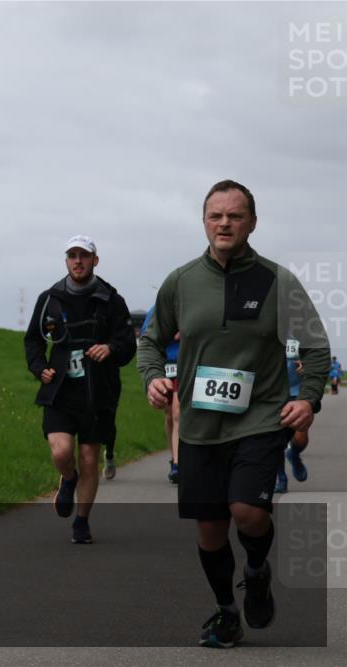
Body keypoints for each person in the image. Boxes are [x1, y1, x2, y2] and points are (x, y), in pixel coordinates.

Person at [138, 180, 329, 649]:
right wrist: (152, 379)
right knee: (209, 531)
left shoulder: (277, 280)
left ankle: (258, 569)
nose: (224, 223)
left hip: (260, 420)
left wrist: (307, 398)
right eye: (215, 215)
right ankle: (226, 611)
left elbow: (316, 347)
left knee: (246, 511)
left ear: (252, 223)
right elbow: (149, 339)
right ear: (204, 222)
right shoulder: (181, 281)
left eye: (235, 215)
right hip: (201, 427)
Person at [24, 234, 136, 544]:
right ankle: (68, 479)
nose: (78, 261)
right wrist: (38, 367)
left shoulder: (111, 299)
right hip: (60, 391)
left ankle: (82, 522)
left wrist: (111, 348)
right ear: (66, 260)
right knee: (61, 452)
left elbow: (128, 344)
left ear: (94, 261)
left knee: (89, 458)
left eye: (83, 256)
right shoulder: (50, 298)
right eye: (72, 255)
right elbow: (32, 340)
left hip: (98, 391)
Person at [141, 306, 182, 483]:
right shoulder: (160, 306)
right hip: (166, 364)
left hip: (186, 363)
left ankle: (179, 465)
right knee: (169, 415)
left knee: (178, 413)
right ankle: (173, 457)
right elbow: (147, 335)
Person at [275, 338, 313, 493]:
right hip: (274, 393)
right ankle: (281, 479)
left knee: (300, 438)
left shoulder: (304, 331)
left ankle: (294, 454)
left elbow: (317, 357)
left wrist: (308, 365)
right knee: (275, 441)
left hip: (298, 391)